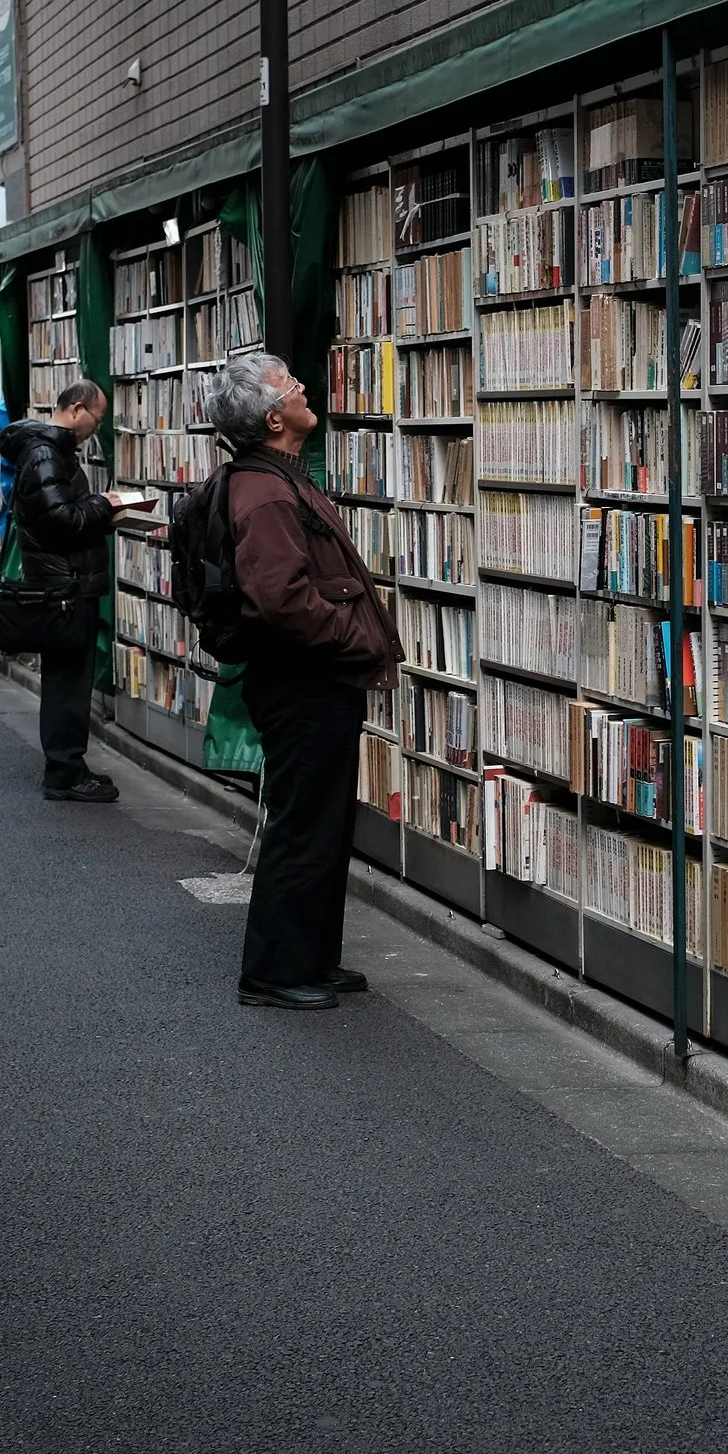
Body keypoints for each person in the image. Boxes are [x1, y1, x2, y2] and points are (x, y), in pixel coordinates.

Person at [208, 352, 400, 1011]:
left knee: (322, 823)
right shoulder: (262, 490)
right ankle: (273, 970)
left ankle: (313, 957)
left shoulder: (278, 476)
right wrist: (355, 639)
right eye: (292, 385)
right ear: (273, 417)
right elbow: (280, 600)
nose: (304, 388)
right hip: (302, 680)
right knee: (301, 823)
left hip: (314, 677)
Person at [0, 381, 128, 800]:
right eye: (97, 417)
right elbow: (62, 520)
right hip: (64, 587)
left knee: (68, 680)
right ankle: (65, 771)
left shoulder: (49, 452)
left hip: (67, 583)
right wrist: (105, 505)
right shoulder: (45, 454)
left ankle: (69, 765)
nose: (97, 426)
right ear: (76, 409)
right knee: (67, 682)